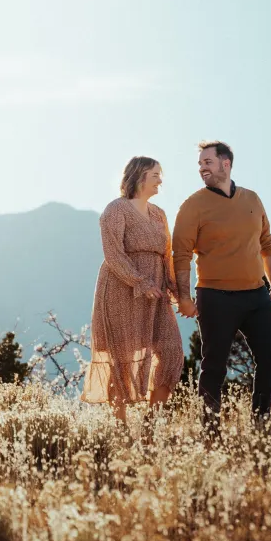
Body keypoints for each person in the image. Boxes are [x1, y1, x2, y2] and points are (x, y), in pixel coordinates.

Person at [172, 141, 271, 431]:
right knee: (214, 366)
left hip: (257, 296)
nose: (201, 168)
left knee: (270, 356)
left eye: (207, 162)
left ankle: (260, 423)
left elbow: (267, 244)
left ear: (226, 163)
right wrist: (183, 297)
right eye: (199, 164)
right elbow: (180, 254)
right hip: (215, 297)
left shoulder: (252, 199)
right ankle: (210, 430)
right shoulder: (193, 205)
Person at [82, 157, 185, 422]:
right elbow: (113, 253)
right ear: (139, 176)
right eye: (155, 175)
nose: (160, 180)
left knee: (172, 351)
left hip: (156, 292)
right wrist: (140, 281)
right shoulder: (116, 209)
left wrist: (176, 290)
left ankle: (151, 423)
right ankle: (121, 427)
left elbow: (167, 254)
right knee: (122, 360)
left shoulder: (159, 213)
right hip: (121, 289)